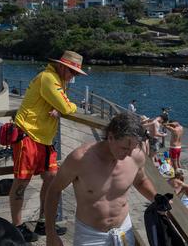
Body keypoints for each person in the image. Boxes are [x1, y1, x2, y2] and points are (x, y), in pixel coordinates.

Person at [44, 112, 157, 246]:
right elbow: (54, 190)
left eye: (132, 148)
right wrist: (51, 233)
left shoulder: (136, 156)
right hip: (90, 236)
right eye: (124, 148)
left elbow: (140, 181)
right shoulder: (80, 159)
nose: (128, 154)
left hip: (124, 231)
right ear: (110, 137)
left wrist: (157, 198)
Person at [10, 50, 85, 242]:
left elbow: (61, 105)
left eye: (76, 74)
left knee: (52, 179)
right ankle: (17, 227)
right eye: (72, 72)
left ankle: (43, 221)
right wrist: (66, 107)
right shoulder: (49, 78)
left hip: (45, 139)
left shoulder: (59, 81)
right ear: (62, 67)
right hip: (28, 136)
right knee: (22, 183)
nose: (73, 76)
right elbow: (67, 107)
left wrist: (60, 106)